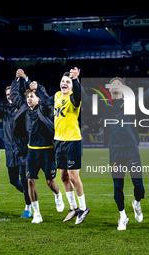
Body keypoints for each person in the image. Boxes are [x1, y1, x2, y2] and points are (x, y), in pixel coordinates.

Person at [81, 68, 149, 230]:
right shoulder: (104, 103)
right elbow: (86, 98)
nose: (116, 86)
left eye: (119, 84)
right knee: (118, 186)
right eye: (113, 84)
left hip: (131, 149)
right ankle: (122, 216)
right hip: (115, 150)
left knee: (139, 186)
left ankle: (136, 203)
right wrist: (76, 80)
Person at [36, 67, 89, 225]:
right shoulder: (57, 96)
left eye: (68, 82)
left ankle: (83, 207)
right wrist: (36, 87)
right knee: (64, 176)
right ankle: (73, 207)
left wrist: (76, 79)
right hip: (58, 141)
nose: (64, 83)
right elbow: (45, 100)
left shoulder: (74, 97)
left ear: (72, 86)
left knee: (73, 176)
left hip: (72, 141)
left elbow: (78, 97)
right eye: (63, 81)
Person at [11, 69, 64, 224]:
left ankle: (58, 195)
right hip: (31, 152)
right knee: (30, 182)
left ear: (38, 99)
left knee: (50, 182)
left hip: (47, 152)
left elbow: (47, 97)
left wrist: (29, 80)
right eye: (27, 97)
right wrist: (17, 79)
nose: (28, 99)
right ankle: (37, 214)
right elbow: (14, 96)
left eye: (31, 97)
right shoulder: (24, 109)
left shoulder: (45, 108)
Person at [0, 83, 31, 218]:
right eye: (7, 95)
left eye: (11, 94)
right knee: (13, 180)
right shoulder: (4, 109)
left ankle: (28, 207)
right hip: (10, 151)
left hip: (22, 150)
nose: (9, 97)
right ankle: (30, 194)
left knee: (24, 179)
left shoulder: (24, 107)